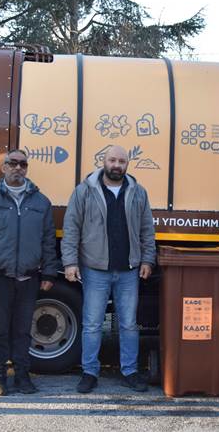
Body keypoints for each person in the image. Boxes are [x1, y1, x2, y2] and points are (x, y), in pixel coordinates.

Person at [62, 145, 156, 394]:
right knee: (92, 324)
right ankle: (89, 372)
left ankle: (130, 371)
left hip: (128, 270)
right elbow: (71, 228)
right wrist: (70, 262)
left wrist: (147, 260)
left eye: (121, 161)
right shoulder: (84, 191)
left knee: (128, 324)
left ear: (127, 164)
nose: (117, 165)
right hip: (95, 269)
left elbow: (147, 229)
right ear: (103, 161)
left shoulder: (138, 192)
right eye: (112, 160)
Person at [0, 149, 60, 396]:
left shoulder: (40, 202)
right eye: (13, 163)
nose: (18, 168)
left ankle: (22, 375)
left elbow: (48, 240)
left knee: (22, 330)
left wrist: (50, 272)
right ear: (4, 168)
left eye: (23, 164)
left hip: (29, 277)